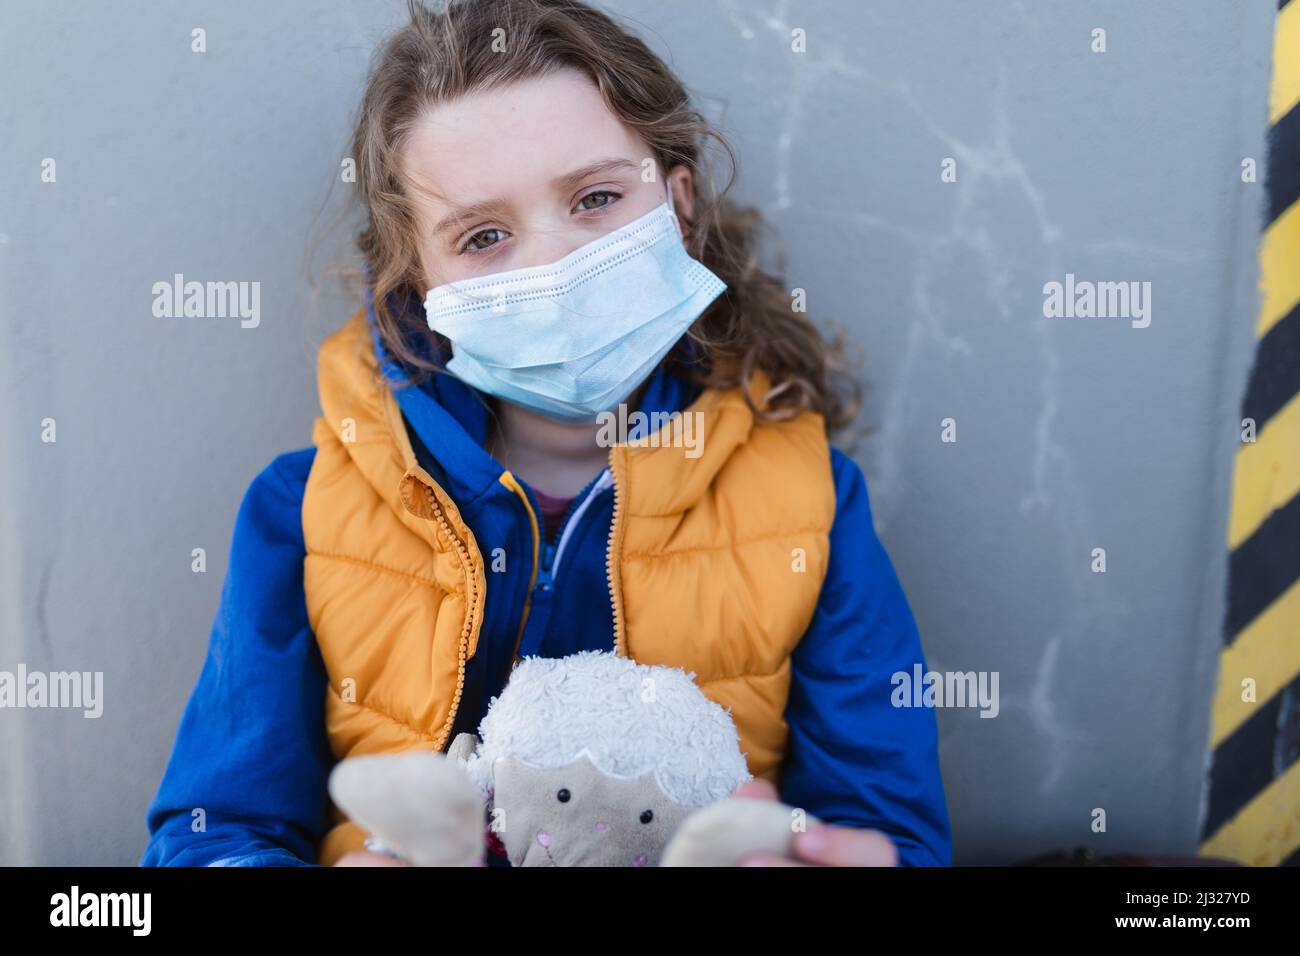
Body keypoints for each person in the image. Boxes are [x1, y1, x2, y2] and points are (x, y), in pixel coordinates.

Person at [141, 0, 952, 868]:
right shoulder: (301, 512)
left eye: (596, 197)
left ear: (678, 203)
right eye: (484, 235)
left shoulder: (812, 503)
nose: (552, 263)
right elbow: (211, 832)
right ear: (418, 281)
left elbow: (890, 832)